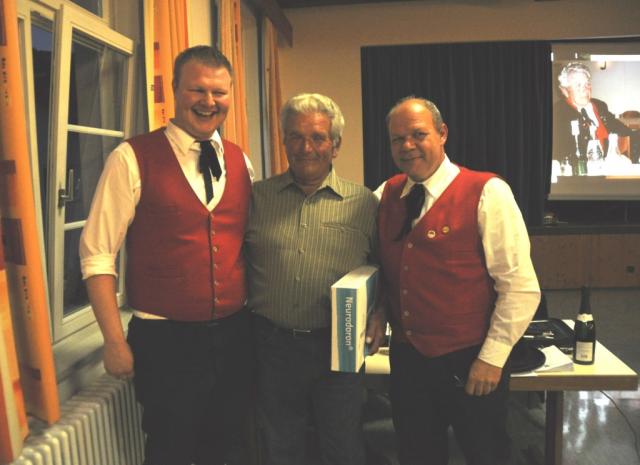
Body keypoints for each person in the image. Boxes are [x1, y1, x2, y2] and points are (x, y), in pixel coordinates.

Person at [80, 45, 254, 465]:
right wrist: (113, 341)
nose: (209, 101)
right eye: (197, 89)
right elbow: (98, 255)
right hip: (165, 341)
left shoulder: (241, 161)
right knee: (169, 450)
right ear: (175, 89)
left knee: (229, 447)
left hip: (235, 334)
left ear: (231, 96)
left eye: (219, 92)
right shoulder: (130, 157)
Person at [376, 97, 540, 465]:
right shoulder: (385, 194)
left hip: (470, 359)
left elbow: (519, 286)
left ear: (442, 134)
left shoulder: (488, 191)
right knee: (417, 455)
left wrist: (492, 359)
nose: (407, 145)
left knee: (486, 455)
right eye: (397, 139)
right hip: (409, 361)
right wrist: (377, 310)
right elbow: (384, 271)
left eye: (418, 134)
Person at [244, 93, 385, 465]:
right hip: (271, 348)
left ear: (335, 146)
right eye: (296, 136)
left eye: (318, 137)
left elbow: (384, 266)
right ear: (284, 141)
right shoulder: (256, 198)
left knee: (342, 447)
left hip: (339, 348)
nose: (306, 148)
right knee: (281, 446)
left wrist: (380, 311)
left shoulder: (365, 203)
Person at [553, 61, 634, 174]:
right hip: (579, 172)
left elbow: (624, 131)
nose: (585, 89)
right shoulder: (559, 113)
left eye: (587, 84)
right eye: (578, 85)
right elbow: (561, 151)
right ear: (564, 90)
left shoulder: (599, 106)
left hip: (608, 170)